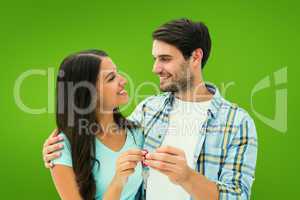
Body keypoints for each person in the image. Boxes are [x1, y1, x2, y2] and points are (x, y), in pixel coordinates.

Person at [43, 18, 258, 200]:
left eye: (165, 59)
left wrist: (186, 177)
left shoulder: (236, 122)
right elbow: (102, 136)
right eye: (155, 58)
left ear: (195, 57)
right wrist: (57, 149)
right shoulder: (148, 110)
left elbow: (238, 195)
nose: (155, 68)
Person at [46, 49, 145, 200]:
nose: (123, 80)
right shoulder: (60, 148)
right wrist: (118, 180)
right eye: (111, 78)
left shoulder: (137, 132)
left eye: (117, 73)